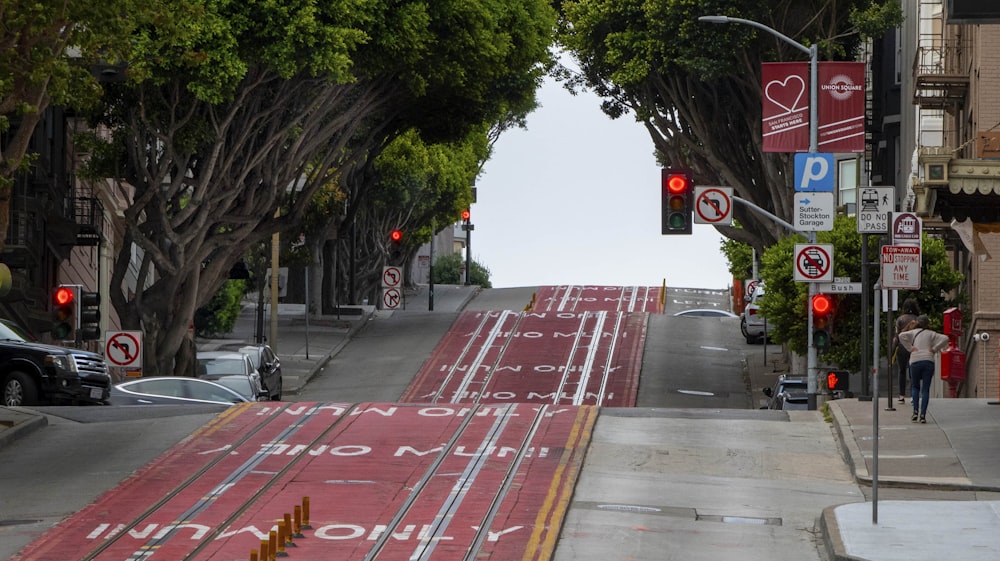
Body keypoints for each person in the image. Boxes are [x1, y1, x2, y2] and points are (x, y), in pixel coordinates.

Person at [897, 315, 950, 423]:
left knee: (915, 387)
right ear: (927, 324)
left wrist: (910, 348)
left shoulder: (913, 332)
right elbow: (945, 338)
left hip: (915, 361)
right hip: (928, 361)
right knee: (925, 389)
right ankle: (923, 415)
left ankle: (915, 411)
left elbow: (901, 335)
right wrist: (934, 349)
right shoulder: (932, 334)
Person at [893, 299, 921, 403]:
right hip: (914, 347)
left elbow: (896, 336)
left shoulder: (900, 319)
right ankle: (914, 395)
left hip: (901, 348)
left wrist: (892, 349)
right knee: (913, 372)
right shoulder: (918, 319)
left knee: (902, 371)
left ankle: (901, 396)